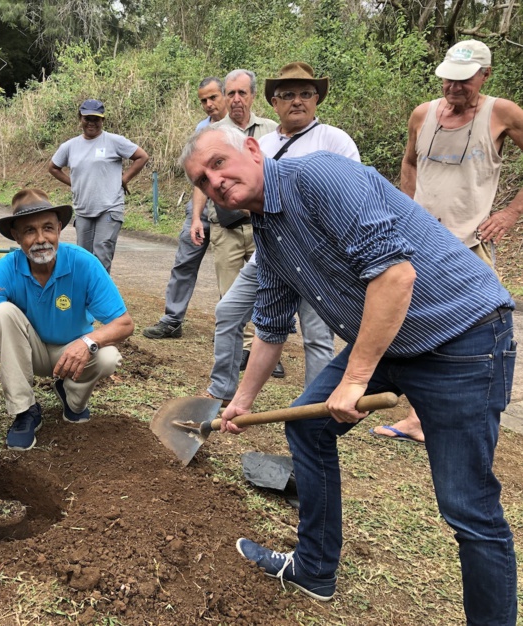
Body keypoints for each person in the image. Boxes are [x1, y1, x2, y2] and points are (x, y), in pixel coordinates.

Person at [181, 125, 517, 624]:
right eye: (203, 181)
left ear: (251, 148)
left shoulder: (322, 177)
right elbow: (271, 327)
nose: (215, 182)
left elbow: (395, 275)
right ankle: (314, 568)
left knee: (468, 506)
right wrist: (242, 401)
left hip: (461, 334)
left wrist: (355, 378)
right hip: (390, 340)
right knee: (306, 426)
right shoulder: (268, 235)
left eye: (218, 164)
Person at [372, 39, 523, 444]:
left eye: (464, 80)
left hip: (469, 243)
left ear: (485, 75)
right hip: (420, 242)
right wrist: (405, 211)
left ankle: (466, 418)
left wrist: (509, 214)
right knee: (413, 320)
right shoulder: (423, 114)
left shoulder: (502, 113)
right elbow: (409, 162)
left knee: (476, 330)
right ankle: (417, 418)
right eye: (448, 79)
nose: (454, 87)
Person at [204, 62, 359, 404]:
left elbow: (352, 199)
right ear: (274, 103)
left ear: (317, 99)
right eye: (288, 95)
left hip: (318, 259)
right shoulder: (261, 145)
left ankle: (315, 408)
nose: (297, 101)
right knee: (228, 313)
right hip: (269, 253)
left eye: (305, 93)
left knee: (316, 336)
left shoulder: (334, 140)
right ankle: (220, 392)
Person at [0, 188, 134, 451]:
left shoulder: (84, 264)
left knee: (108, 356)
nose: (41, 239)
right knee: (1, 312)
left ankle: (72, 397)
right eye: (29, 231)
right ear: (16, 236)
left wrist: (87, 342)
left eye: (48, 228)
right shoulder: (4, 270)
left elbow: (125, 323)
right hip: (30, 352)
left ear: (59, 229)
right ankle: (24, 411)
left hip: (72, 353)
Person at [143, 76, 227, 340]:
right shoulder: (201, 128)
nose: (209, 104)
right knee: (184, 263)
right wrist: (196, 216)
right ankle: (172, 320)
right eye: (203, 100)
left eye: (213, 97)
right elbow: (198, 175)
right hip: (200, 207)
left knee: (230, 270)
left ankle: (229, 328)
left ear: (225, 95)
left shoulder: (238, 127)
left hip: (231, 211)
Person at [189, 70, 278, 297]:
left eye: (242, 93)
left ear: (253, 95)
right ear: (225, 97)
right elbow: (202, 181)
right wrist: (196, 218)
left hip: (263, 226)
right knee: (230, 297)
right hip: (225, 227)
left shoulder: (271, 130)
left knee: (270, 291)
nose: (236, 99)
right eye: (231, 94)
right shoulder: (210, 134)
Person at [48, 99, 149, 273]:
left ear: (103, 120)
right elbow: (53, 167)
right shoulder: (70, 146)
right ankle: (85, 290)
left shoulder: (114, 141)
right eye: (87, 118)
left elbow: (142, 157)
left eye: (96, 119)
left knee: (102, 254)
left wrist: (124, 179)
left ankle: (101, 290)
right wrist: (73, 182)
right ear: (80, 118)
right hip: (83, 209)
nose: (91, 123)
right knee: (83, 258)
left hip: (109, 207)